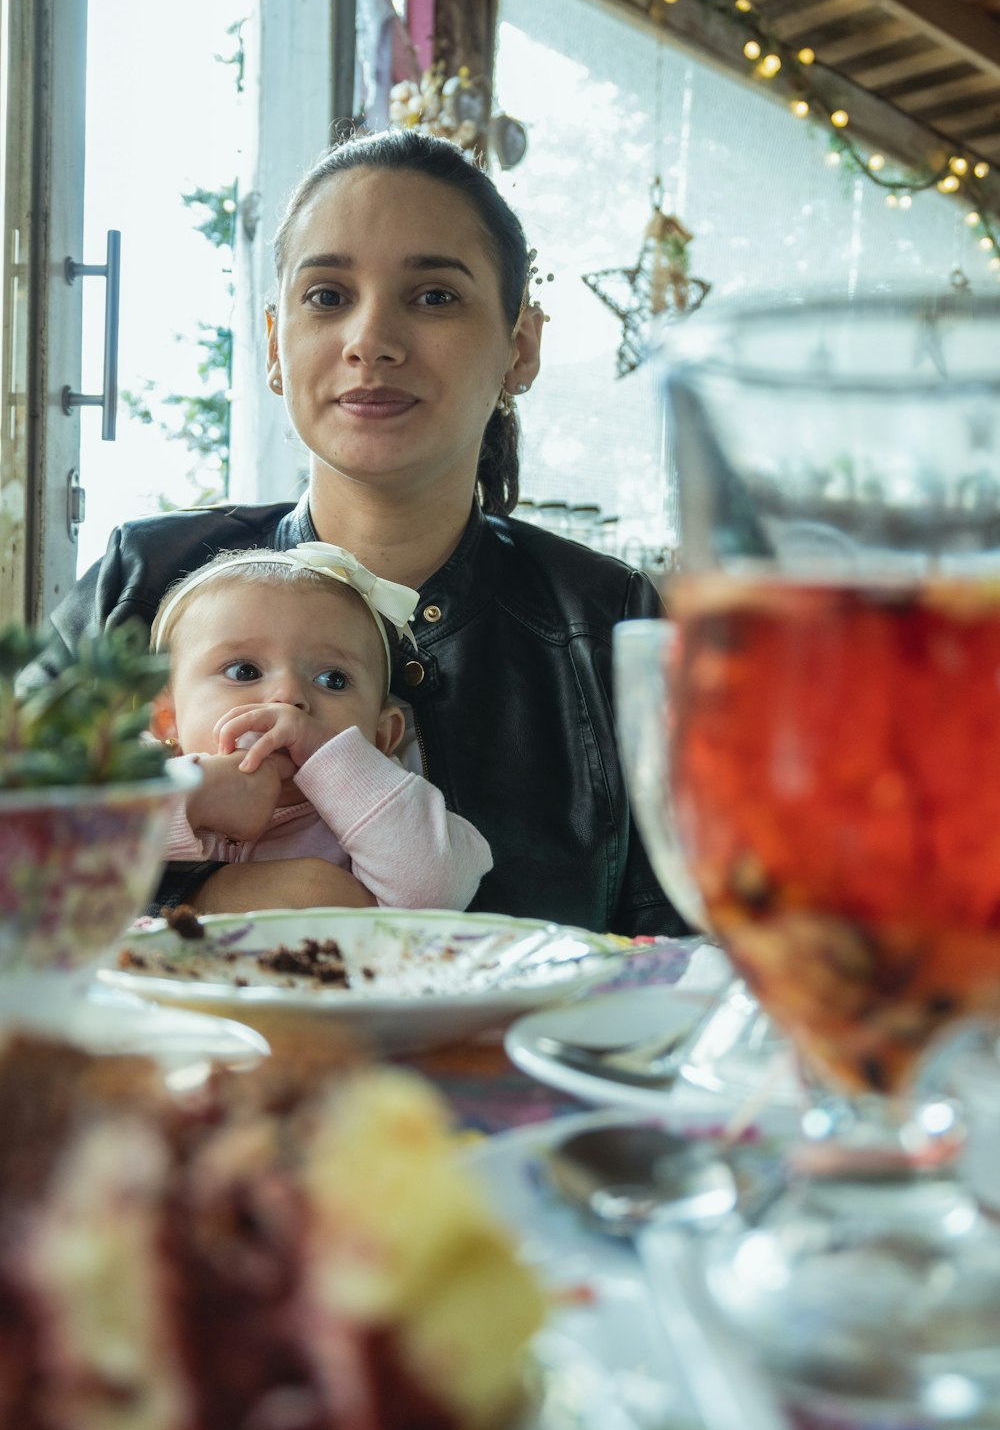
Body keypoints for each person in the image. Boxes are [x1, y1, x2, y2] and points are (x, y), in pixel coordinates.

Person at [39, 127, 684, 936]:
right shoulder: (137, 583)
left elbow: (688, 955)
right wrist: (202, 907)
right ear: (276, 346)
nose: (370, 341)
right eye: (327, 296)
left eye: (435, 296)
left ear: (520, 347)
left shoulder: (609, 622)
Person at [148, 541, 492, 911]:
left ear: (381, 737)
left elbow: (436, 895)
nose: (288, 696)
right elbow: (80, 848)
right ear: (166, 719)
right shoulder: (134, 775)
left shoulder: (385, 813)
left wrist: (335, 762)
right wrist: (195, 794)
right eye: (244, 671)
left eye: (333, 680)